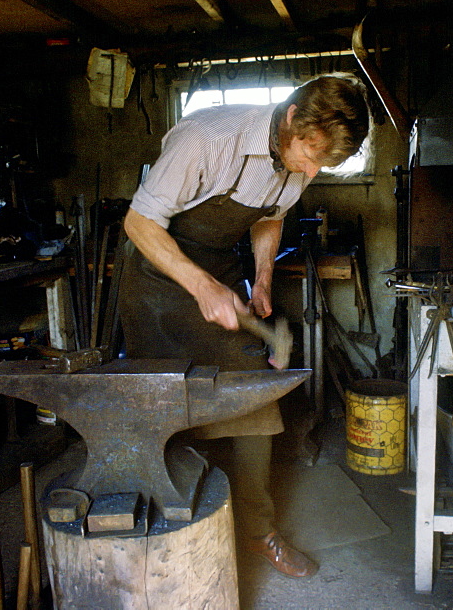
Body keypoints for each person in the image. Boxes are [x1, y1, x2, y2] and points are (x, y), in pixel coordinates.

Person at [119, 73, 369, 577]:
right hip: (158, 275)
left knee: (255, 390)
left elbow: (269, 217)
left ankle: (258, 531)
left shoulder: (301, 162)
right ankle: (171, 527)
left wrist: (261, 280)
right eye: (310, 155)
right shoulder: (208, 139)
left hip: (221, 269)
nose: (311, 170)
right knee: (169, 399)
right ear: (292, 117)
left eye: (323, 165)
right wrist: (201, 287)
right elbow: (139, 223)